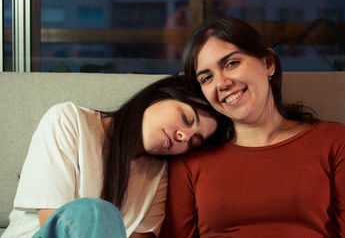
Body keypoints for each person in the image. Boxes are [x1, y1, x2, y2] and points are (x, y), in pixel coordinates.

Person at [160, 17, 345, 237]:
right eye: (207, 78)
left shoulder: (336, 142)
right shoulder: (190, 160)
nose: (222, 83)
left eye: (231, 64)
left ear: (268, 64)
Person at [3, 75, 234, 238]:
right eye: (186, 118)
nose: (184, 136)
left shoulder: (158, 176)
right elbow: (55, 223)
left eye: (194, 141)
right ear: (158, 96)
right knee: (92, 212)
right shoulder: (68, 121)